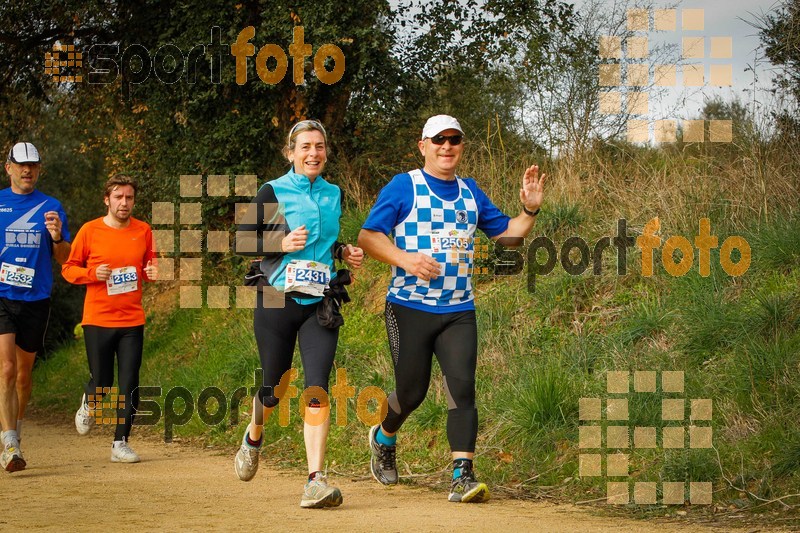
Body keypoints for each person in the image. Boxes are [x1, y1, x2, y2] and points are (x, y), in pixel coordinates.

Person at [358, 115, 546, 502]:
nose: (447, 147)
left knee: (462, 388)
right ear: (422, 145)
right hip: (409, 306)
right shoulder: (404, 186)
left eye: (454, 140)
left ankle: (462, 474)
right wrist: (406, 260)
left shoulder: (469, 192)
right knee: (412, 392)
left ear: (461, 146)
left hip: (459, 309)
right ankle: (383, 436)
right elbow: (369, 236)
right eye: (438, 140)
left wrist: (529, 211)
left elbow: (507, 237)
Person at [233, 119, 363, 509]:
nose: (314, 153)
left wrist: (343, 252)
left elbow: (325, 241)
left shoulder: (333, 193)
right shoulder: (273, 190)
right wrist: (281, 240)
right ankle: (254, 435)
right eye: (305, 147)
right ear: (291, 153)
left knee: (317, 386)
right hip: (276, 298)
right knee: (273, 391)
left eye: (320, 146)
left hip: (319, 302)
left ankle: (315, 480)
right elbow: (241, 240)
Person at [62, 174, 157, 463]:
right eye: (118, 197)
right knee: (102, 381)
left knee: (129, 382)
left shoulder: (143, 230)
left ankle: (120, 443)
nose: (124, 202)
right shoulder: (90, 231)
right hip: (98, 318)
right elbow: (68, 268)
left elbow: (147, 264)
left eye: (129, 197)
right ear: (107, 200)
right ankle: (90, 404)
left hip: (131, 320)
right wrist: (93, 274)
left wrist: (151, 272)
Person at [0, 142, 71, 472]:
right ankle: (10, 443)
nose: (27, 170)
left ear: (40, 169)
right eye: (21, 165)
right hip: (2, 296)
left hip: (36, 298)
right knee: (6, 369)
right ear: (9, 167)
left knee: (24, 378)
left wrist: (57, 237)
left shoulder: (51, 206)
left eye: (33, 165)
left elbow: (65, 258)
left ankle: (15, 427)